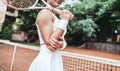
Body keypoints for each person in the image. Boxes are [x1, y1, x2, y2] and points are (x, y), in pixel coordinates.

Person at [29, 0, 73, 71]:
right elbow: (50, 44)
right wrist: (64, 21)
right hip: (46, 61)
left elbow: (60, 40)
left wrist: (62, 45)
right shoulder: (45, 13)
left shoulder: (54, 15)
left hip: (56, 59)